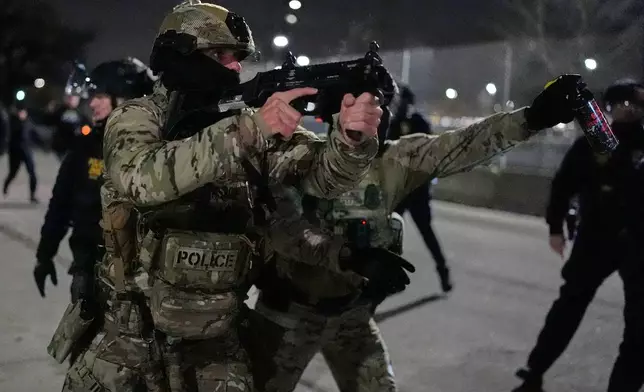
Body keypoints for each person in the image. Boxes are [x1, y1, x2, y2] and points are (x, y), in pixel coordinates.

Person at [55, 1, 385, 391]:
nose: (233, 66)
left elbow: (322, 179)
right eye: (219, 54)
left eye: (238, 58)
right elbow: (141, 178)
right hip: (127, 342)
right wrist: (251, 129)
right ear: (179, 54)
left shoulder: (248, 120)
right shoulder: (139, 116)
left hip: (215, 346)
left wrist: (350, 139)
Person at [249, 74, 583, 392]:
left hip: (350, 315)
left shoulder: (394, 159)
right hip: (287, 313)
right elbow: (285, 231)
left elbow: (465, 144)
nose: (371, 116)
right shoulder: (298, 158)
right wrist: (350, 256)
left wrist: (534, 118)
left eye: (378, 106)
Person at [512, 80, 644, 392]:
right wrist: (556, 227)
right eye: (624, 103)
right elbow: (563, 186)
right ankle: (534, 371)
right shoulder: (593, 141)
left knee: (640, 327)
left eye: (637, 104)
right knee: (569, 306)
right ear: (610, 107)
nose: (631, 109)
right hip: (596, 238)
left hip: (638, 243)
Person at [33, 58, 156, 302]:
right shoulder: (86, 146)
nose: (92, 103)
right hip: (89, 270)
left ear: (124, 99)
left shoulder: (156, 148)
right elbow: (61, 203)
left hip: (142, 279)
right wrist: (45, 254)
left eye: (100, 96)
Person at [390, 85, 452, 293]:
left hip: (416, 190)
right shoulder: (394, 124)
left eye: (402, 102)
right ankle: (390, 276)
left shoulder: (419, 123)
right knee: (391, 233)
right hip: (400, 189)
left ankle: (443, 270)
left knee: (426, 232)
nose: (399, 106)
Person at [2, 101, 38, 203]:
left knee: (32, 174)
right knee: (12, 173)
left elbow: (35, 134)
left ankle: (32, 196)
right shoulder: (12, 122)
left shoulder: (29, 122)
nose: (21, 114)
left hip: (27, 151)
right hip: (15, 152)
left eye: (23, 112)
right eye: (20, 112)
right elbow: (6, 135)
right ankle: (6, 185)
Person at [44, 83, 89, 160]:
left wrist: (84, 131)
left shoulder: (81, 114)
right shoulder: (59, 111)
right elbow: (48, 121)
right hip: (60, 146)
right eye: (70, 96)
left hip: (74, 146)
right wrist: (49, 112)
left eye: (74, 97)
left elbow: (87, 128)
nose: (71, 99)